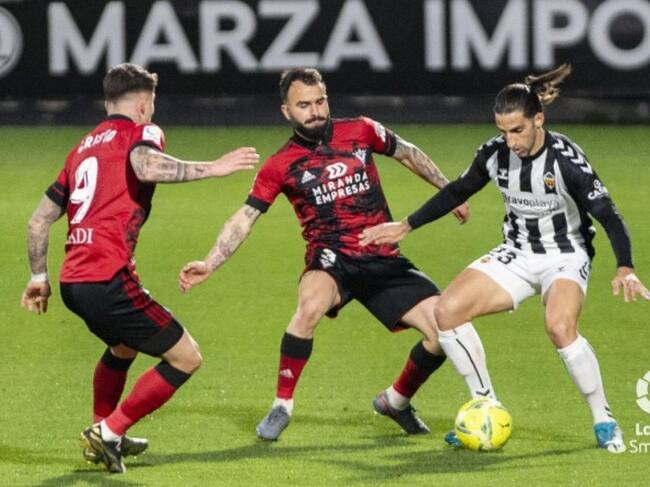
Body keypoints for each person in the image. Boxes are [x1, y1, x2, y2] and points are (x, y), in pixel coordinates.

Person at [360, 64, 650, 453]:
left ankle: (604, 419)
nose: (510, 141)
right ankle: (485, 409)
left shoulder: (565, 160)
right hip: (516, 252)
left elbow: (609, 215)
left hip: (565, 254)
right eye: (503, 131)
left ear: (538, 120)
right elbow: (459, 189)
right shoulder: (494, 153)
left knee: (560, 327)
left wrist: (625, 266)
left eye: (517, 130)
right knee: (447, 311)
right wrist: (407, 225)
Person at [179, 68, 471, 441]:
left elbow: (407, 153)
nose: (315, 111)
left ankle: (396, 401)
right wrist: (210, 262)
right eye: (304, 105)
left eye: (320, 101)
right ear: (286, 111)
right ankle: (282, 406)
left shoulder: (361, 130)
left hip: (382, 255)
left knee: (444, 332)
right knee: (309, 308)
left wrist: (448, 192)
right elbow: (245, 217)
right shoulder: (280, 165)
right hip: (331, 259)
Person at [20, 63, 259, 473]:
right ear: (145, 104)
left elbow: (38, 221)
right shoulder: (142, 131)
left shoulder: (81, 149)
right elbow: (146, 166)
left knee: (123, 346)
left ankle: (104, 431)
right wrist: (214, 168)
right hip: (107, 277)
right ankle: (109, 431)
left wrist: (38, 277)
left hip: (74, 281)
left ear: (107, 102)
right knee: (186, 358)